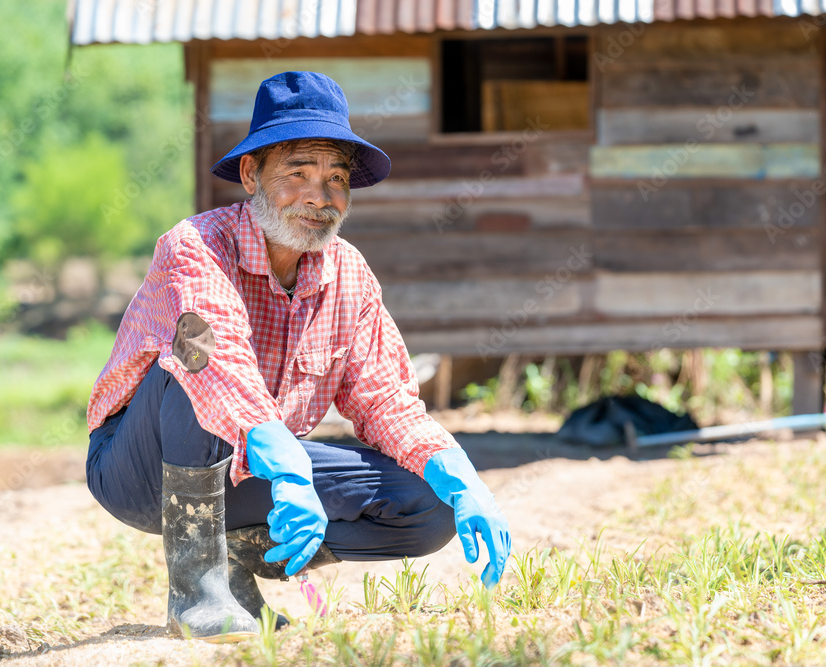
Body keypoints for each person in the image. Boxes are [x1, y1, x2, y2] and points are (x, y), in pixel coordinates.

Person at [84, 71, 511, 641]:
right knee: (189, 362)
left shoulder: (349, 273)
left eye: (336, 178)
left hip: (254, 470)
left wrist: (459, 476)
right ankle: (196, 591)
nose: (320, 195)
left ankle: (236, 561)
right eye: (298, 173)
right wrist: (289, 471)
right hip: (139, 470)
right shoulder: (195, 247)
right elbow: (217, 364)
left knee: (427, 506)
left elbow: (385, 399)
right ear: (250, 173)